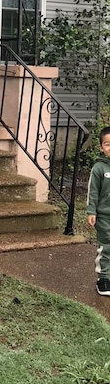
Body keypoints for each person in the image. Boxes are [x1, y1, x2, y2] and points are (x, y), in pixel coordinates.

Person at [86, 126, 110, 296]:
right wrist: (91, 211)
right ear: (101, 147)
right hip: (104, 217)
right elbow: (92, 192)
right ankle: (103, 279)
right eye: (108, 144)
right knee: (107, 246)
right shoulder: (99, 168)